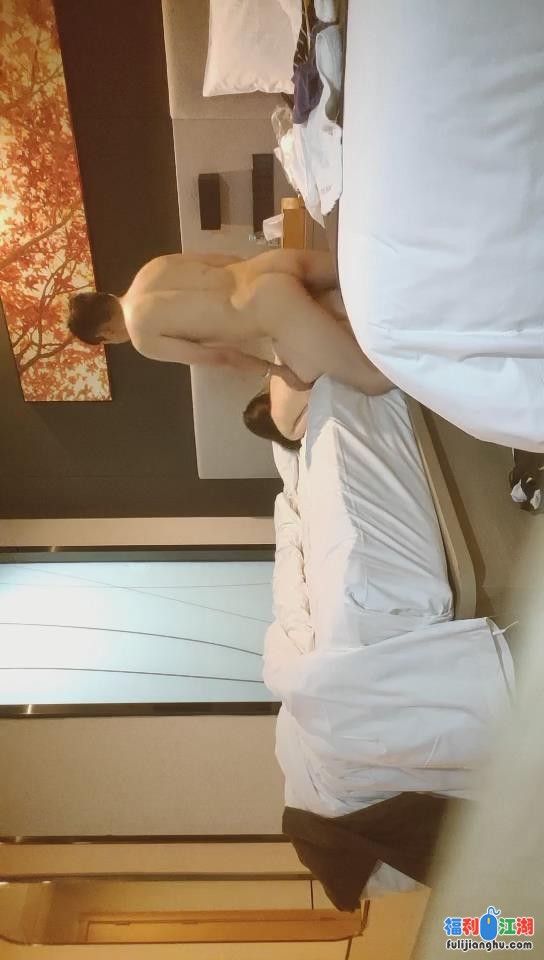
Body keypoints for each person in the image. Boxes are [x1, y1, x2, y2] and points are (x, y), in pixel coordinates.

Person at [67, 249, 392, 394]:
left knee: (373, 380)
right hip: (271, 262)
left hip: (271, 305)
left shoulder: (142, 336)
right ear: (104, 295)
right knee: (370, 271)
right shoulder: (151, 267)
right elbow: (225, 260)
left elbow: (220, 357)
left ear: (105, 333)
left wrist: (278, 372)